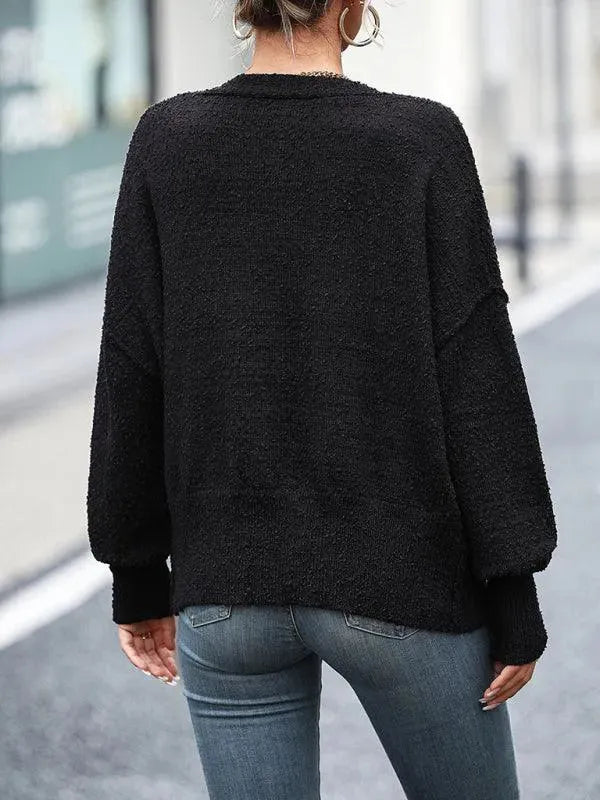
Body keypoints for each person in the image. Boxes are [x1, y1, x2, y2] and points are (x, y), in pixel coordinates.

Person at [86, 1, 558, 798]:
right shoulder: (419, 140)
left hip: (225, 586)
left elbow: (132, 362)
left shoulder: (167, 141)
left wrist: (136, 573)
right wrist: (512, 586)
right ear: (352, 9)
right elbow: (477, 375)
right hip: (402, 579)